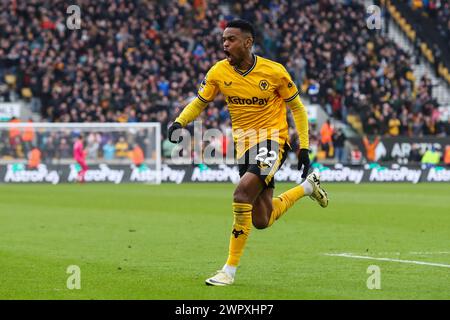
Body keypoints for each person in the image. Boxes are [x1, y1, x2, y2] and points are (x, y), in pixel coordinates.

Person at [167, 19, 329, 286]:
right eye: (223, 40)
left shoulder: (274, 72)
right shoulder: (219, 72)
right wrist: (179, 122)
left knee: (241, 193)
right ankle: (307, 188)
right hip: (244, 147)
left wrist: (304, 147)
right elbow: (200, 102)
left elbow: (297, 109)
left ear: (248, 42)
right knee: (262, 219)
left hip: (272, 142)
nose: (225, 45)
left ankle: (228, 271)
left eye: (230, 40)